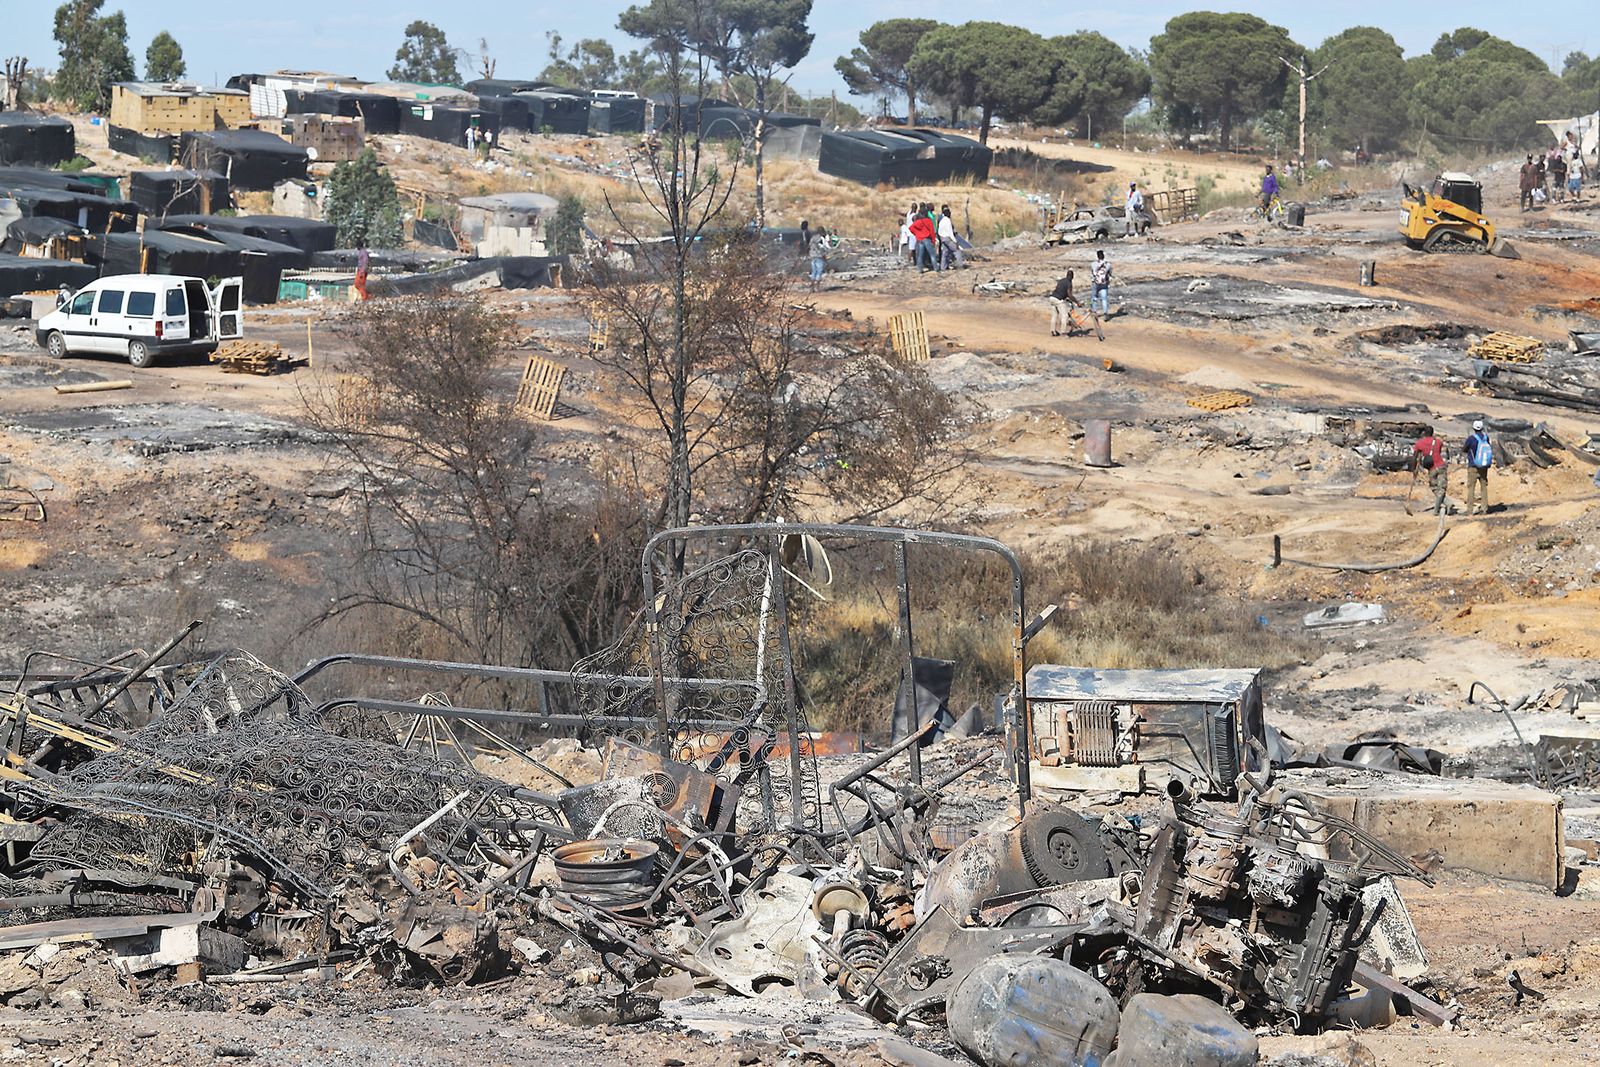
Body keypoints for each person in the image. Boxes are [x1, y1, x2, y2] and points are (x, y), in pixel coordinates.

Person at [1411, 425, 1447, 515]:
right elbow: (1439, 451)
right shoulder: (1438, 442)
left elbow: (1414, 457)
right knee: (1441, 487)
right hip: (1441, 465)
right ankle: (1447, 503)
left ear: (1424, 433)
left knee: (1434, 487)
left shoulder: (1419, 443)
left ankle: (1436, 510)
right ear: (1432, 433)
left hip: (1432, 467)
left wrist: (1414, 469)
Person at [1464, 419, 1493, 515]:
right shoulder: (1486, 438)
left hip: (1473, 466)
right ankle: (1484, 508)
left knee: (1471, 488)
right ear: (1482, 428)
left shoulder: (1471, 439)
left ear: (1473, 428)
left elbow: (1464, 449)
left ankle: (1469, 511)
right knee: (1484, 487)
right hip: (1484, 466)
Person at [1048, 270, 1077, 336]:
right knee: (1065, 316)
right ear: (1072, 276)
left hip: (1052, 298)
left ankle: (1053, 330)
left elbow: (1062, 291)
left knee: (1054, 315)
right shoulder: (1069, 283)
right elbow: (1069, 294)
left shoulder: (1061, 280)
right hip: (1058, 300)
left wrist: (1067, 298)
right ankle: (1063, 332)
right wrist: (1077, 302)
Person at [937, 204, 963, 271]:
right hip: (948, 238)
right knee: (957, 251)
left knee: (944, 253)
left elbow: (939, 230)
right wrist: (955, 242)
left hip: (942, 238)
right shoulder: (948, 221)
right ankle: (960, 265)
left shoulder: (941, 220)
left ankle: (943, 267)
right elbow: (950, 233)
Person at [1089, 249, 1111, 317]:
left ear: (1097, 256)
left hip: (1095, 283)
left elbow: (1092, 273)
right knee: (1104, 299)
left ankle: (1094, 312)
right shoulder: (1108, 264)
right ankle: (1105, 313)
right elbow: (1109, 274)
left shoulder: (1093, 264)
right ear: (1103, 256)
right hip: (1104, 284)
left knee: (1094, 297)